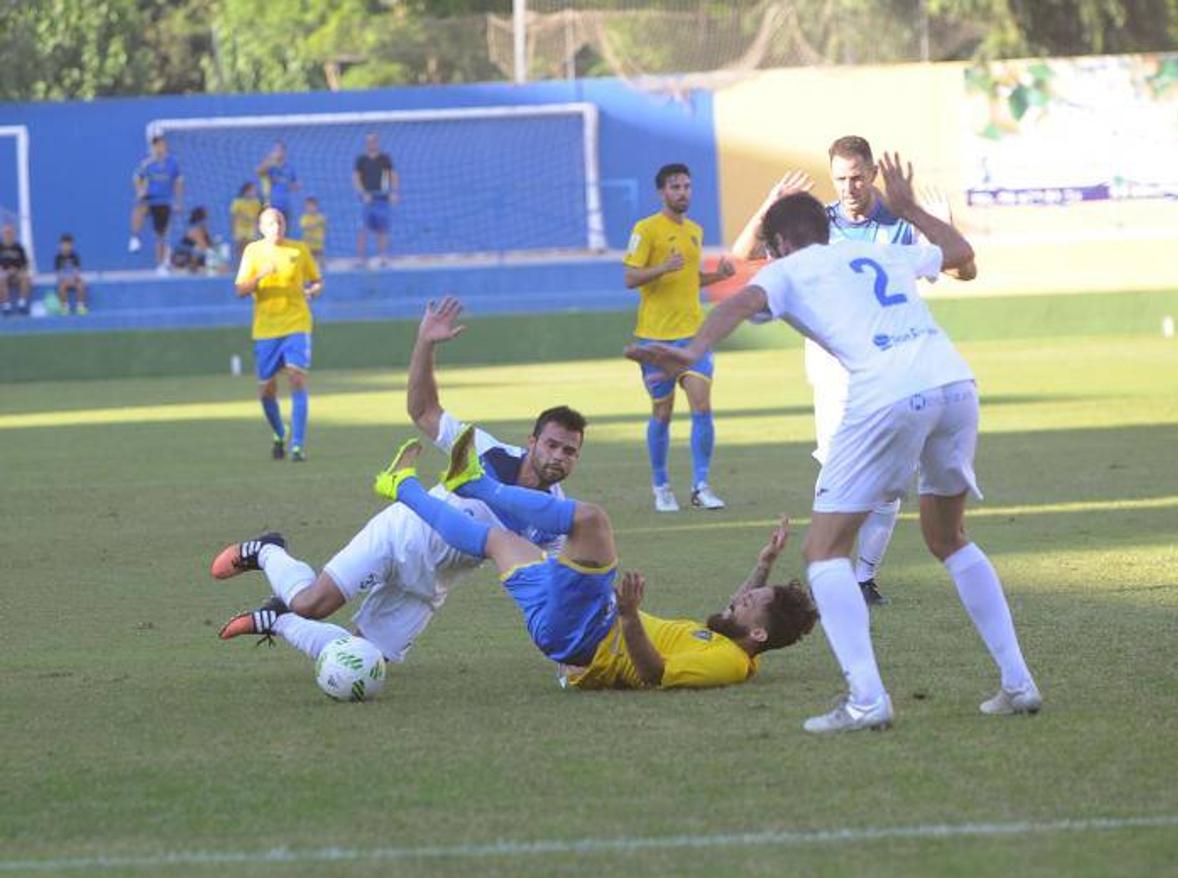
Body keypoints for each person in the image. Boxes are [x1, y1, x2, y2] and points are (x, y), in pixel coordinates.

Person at [628, 156, 1039, 732]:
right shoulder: (881, 247)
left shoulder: (788, 269)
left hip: (887, 391)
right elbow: (961, 256)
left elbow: (738, 301)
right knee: (949, 538)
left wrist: (691, 350)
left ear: (779, 243)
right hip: (954, 382)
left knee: (824, 553)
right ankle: (1018, 683)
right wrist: (912, 208)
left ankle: (867, 699)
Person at [212, 350, 587, 667]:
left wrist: (572, 656)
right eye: (551, 445)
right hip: (398, 534)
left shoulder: (555, 516)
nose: (558, 456)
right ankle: (268, 550)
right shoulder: (486, 451)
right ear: (533, 441)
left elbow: (552, 588)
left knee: (362, 660)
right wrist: (426, 340)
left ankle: (277, 620)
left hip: (430, 583)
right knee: (312, 603)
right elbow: (424, 411)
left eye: (569, 451)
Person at [729, 136, 977, 607]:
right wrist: (767, 207)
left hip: (890, 364)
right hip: (831, 365)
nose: (849, 187)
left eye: (857, 177)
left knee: (891, 479)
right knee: (838, 468)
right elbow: (743, 259)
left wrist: (941, 225)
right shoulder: (814, 223)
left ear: (872, 174)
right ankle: (829, 566)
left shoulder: (898, 225)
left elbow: (965, 271)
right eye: (840, 178)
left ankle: (863, 577)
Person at [375, 425, 816, 689]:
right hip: (570, 630)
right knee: (497, 541)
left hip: (592, 628)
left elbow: (654, 674)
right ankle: (400, 486)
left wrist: (628, 616)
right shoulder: (729, 639)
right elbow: (736, 608)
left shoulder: (727, 663)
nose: (743, 597)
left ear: (757, 633)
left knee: (591, 521)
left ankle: (475, 484)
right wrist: (765, 563)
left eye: (753, 600)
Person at [623, 163, 736, 513]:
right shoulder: (645, 230)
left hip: (693, 339)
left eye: (687, 186)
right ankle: (661, 486)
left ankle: (701, 486)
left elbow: (689, 279)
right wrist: (661, 268)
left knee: (702, 406)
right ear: (662, 192)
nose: (682, 192)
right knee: (663, 412)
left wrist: (717, 276)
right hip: (655, 341)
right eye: (675, 187)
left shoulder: (695, 232)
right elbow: (630, 278)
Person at [234, 207, 322, 461]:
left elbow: (317, 281)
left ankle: (297, 445)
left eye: (280, 223)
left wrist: (312, 290)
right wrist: (260, 275)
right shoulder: (253, 252)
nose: (277, 228)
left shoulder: (299, 250)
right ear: (261, 227)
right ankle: (279, 431)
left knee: (297, 378)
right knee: (266, 391)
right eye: (271, 224)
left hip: (296, 323)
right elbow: (240, 290)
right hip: (266, 329)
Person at [129, 134, 184, 274]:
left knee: (161, 234)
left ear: (165, 146)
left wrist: (177, 201)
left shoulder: (172, 163)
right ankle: (135, 237)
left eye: (161, 144)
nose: (159, 148)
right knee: (139, 207)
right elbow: (137, 178)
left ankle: (161, 264)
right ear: (152, 147)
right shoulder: (147, 164)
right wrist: (140, 191)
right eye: (156, 145)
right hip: (150, 198)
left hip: (164, 201)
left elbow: (178, 182)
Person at [352, 132, 398, 267]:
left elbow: (392, 175)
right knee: (361, 229)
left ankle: (383, 257)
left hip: (382, 198)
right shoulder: (361, 160)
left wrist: (393, 192)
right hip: (366, 200)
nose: (371, 143)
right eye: (369, 141)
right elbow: (356, 178)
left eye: (374, 141)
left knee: (382, 229)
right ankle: (361, 259)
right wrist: (362, 193)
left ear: (377, 142)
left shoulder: (385, 159)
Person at [256, 141, 300, 234]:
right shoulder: (270, 166)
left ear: (285, 152)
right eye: (276, 150)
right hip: (269, 205)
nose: (278, 152)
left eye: (280, 150)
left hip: (284, 206)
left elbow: (296, 185)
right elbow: (259, 171)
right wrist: (270, 159)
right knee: (268, 233)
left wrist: (291, 185)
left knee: (283, 233)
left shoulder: (289, 168)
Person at [0, 223, 32, 317]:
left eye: (10, 233)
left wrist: (16, 270)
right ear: (3, 234)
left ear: (14, 234)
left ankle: (22, 304)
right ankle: (6, 305)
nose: (8, 235)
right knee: (1, 278)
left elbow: (25, 264)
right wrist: (4, 271)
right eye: (6, 233)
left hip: (16, 274)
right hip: (3, 274)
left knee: (25, 278)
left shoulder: (19, 248)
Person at [171, 207, 212, 274]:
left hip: (186, 260)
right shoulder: (196, 230)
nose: (208, 221)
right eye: (207, 219)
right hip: (180, 261)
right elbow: (205, 248)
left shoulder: (200, 230)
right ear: (202, 220)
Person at [53, 233, 87, 315]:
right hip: (64, 280)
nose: (66, 247)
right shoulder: (58, 257)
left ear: (72, 245)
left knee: (81, 284)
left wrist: (74, 278)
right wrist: (66, 279)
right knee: (61, 286)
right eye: (64, 245)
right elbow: (58, 273)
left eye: (69, 245)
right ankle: (65, 307)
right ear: (60, 245)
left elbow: (77, 270)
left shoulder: (75, 256)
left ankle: (80, 306)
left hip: (74, 279)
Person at [229, 182, 262, 266]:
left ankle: (250, 264)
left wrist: (258, 228)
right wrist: (233, 229)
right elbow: (234, 216)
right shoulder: (237, 202)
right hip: (239, 227)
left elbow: (258, 217)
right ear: (246, 191)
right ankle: (239, 264)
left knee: (251, 245)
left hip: (251, 227)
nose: (254, 192)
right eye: (252, 190)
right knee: (240, 246)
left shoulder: (256, 203)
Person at [300, 196, 327, 270]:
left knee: (320, 258)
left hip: (318, 243)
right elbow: (306, 227)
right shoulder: (304, 218)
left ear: (317, 207)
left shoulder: (321, 217)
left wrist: (322, 235)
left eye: (312, 206)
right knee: (308, 260)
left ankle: (323, 271)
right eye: (308, 207)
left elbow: (324, 228)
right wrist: (316, 224)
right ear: (305, 208)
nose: (311, 209)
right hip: (308, 243)